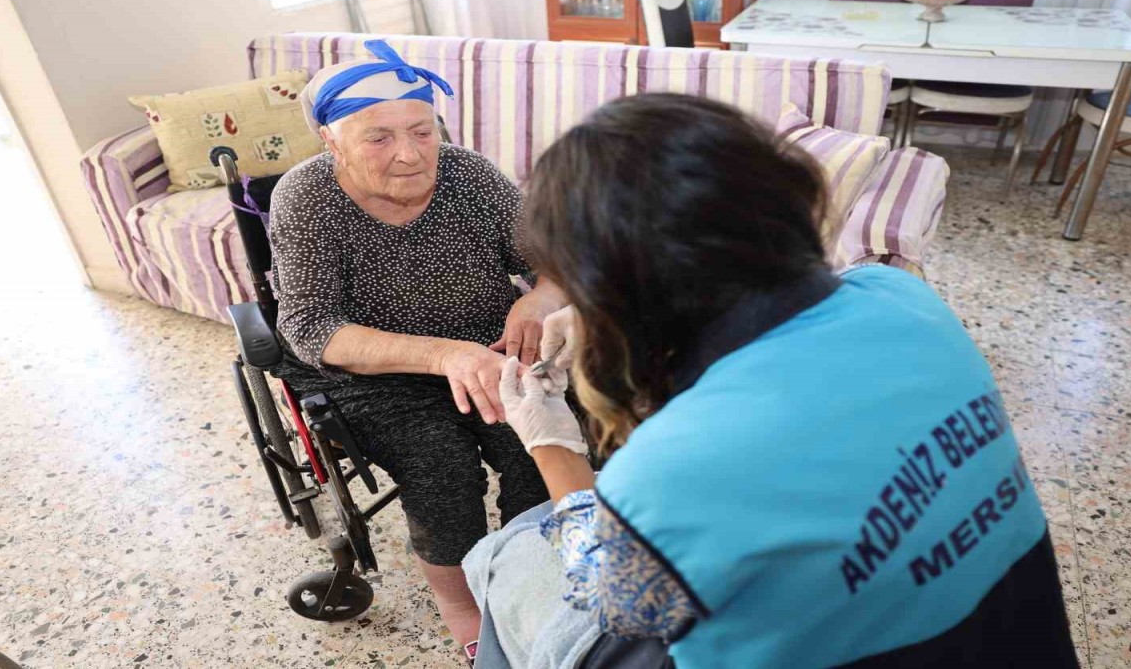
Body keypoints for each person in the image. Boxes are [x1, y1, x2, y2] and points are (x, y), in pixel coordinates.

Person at [489, 93, 1080, 668]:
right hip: (1019, 640)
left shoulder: (675, 470)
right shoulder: (905, 298)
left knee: (507, 556)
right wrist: (611, 320)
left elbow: (618, 600)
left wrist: (553, 446)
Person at [267, 40, 566, 658]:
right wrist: (442, 355)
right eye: (378, 138)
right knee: (441, 466)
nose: (409, 155)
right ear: (332, 141)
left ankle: (525, 574)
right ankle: (463, 607)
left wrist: (537, 298)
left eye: (421, 131)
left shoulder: (469, 175)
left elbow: (559, 264)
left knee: (538, 442)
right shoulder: (306, 198)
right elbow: (310, 327)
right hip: (373, 375)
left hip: (489, 349)